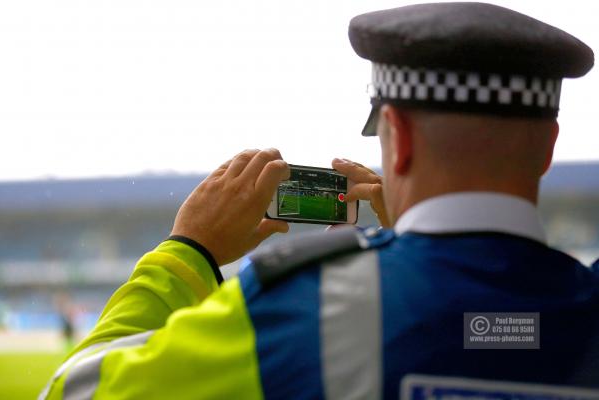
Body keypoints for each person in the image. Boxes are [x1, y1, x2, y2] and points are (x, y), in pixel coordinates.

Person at [41, 2, 598, 399]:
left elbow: (72, 391)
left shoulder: (309, 308)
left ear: (397, 139)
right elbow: (489, 328)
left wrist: (187, 252)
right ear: (548, 147)